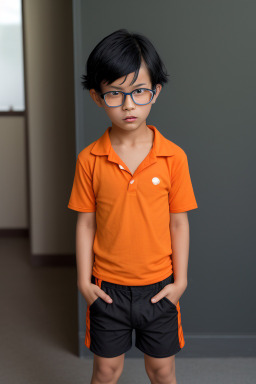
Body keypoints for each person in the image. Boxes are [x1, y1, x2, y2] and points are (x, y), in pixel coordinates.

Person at [68, 28, 198, 384]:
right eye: (115, 94)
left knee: (162, 370)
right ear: (97, 96)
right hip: (106, 290)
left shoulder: (173, 157)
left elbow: (179, 223)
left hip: (159, 288)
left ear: (155, 92)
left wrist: (180, 282)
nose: (128, 105)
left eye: (139, 91)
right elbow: (85, 224)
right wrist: (84, 282)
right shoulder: (89, 160)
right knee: (106, 371)